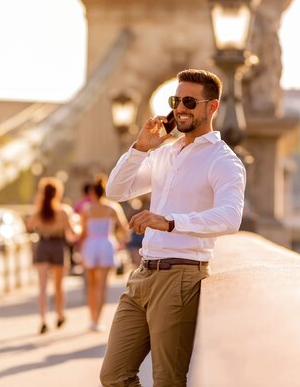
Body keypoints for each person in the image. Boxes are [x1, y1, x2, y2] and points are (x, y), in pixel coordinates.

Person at [100, 69, 246, 386]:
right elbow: (116, 191)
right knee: (113, 375)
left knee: (168, 380)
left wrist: (169, 222)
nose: (180, 108)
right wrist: (140, 147)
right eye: (176, 100)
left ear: (212, 107)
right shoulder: (165, 153)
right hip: (143, 275)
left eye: (190, 101)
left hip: (181, 277)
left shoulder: (223, 160)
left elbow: (230, 218)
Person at [26, 177, 76, 334]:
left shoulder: (39, 211)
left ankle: (43, 320)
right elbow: (72, 233)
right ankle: (60, 314)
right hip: (58, 246)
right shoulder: (63, 211)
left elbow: (29, 226)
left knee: (42, 287)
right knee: (58, 285)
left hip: (43, 245)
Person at [80, 177, 129, 331]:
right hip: (106, 244)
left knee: (91, 284)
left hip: (90, 244)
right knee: (102, 285)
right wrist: (120, 243)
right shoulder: (112, 208)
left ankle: (92, 318)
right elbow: (124, 228)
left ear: (92, 192)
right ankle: (97, 320)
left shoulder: (87, 209)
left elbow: (82, 232)